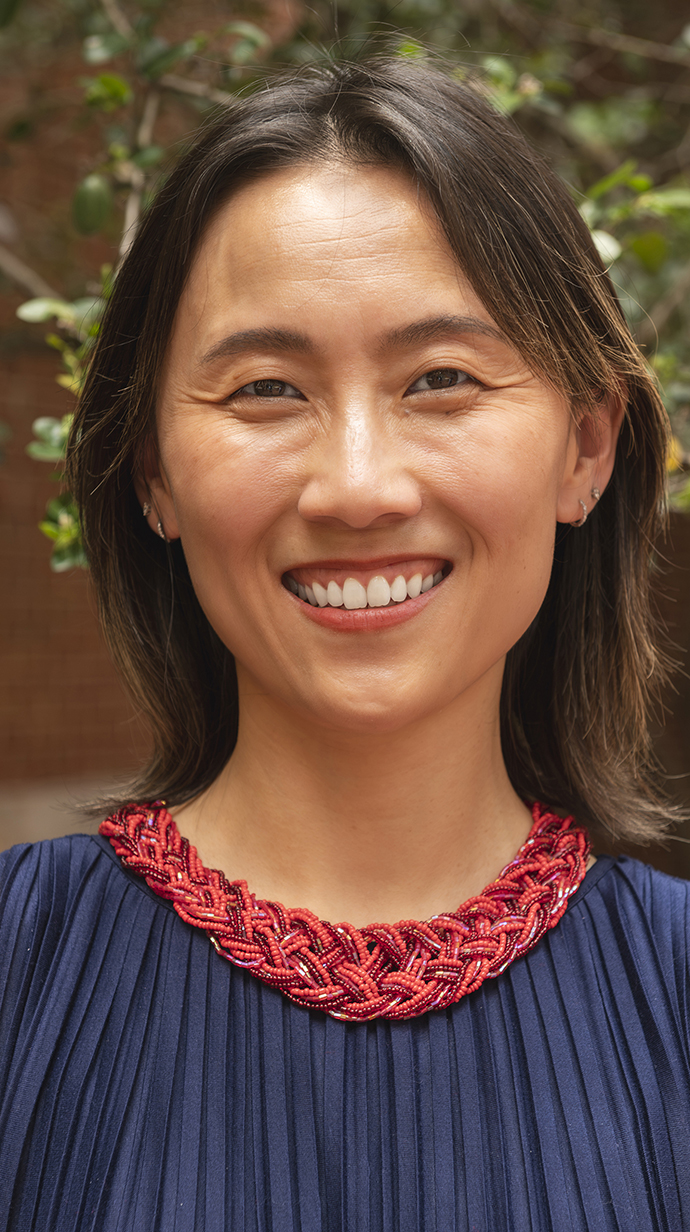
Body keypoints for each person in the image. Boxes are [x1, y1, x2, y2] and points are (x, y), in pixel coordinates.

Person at [1, 55, 689, 1231]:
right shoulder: (21, 972)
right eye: (268, 387)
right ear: (153, 471)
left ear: (586, 445)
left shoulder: (671, 987)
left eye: (441, 377)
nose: (359, 485)